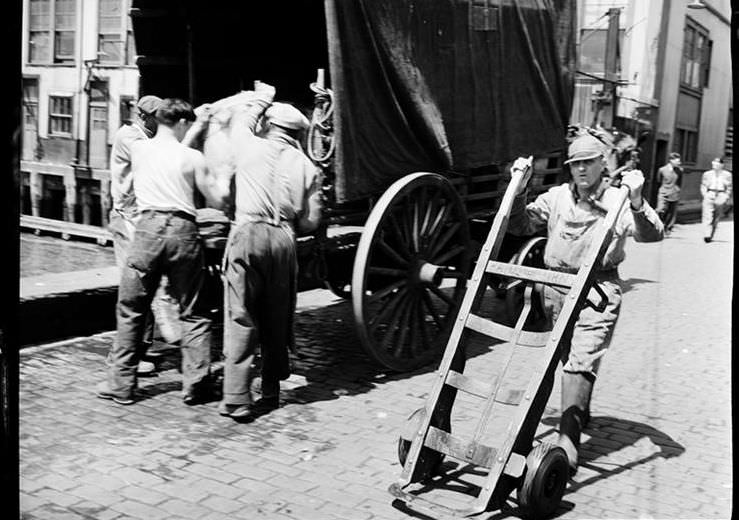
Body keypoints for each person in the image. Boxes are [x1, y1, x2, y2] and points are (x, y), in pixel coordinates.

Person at [507, 132, 664, 474]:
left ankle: (568, 444)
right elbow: (520, 225)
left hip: (597, 292)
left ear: (602, 164)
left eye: (588, 162)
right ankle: (577, 414)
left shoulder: (618, 199)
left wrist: (637, 201)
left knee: (579, 362)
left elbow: (653, 234)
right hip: (556, 288)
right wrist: (518, 191)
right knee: (565, 358)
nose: (580, 169)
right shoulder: (557, 197)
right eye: (575, 163)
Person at [97, 98, 221, 406]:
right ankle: (196, 387)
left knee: (131, 309)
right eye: (187, 125)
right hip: (182, 231)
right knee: (193, 312)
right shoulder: (192, 157)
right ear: (181, 123)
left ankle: (121, 386)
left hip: (146, 231)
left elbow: (163, 147)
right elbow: (216, 199)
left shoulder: (138, 149)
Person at [216, 82, 323, 419]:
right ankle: (271, 390)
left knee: (241, 314)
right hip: (283, 240)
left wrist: (264, 96)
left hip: (247, 233)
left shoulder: (249, 145)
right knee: (278, 317)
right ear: (295, 133)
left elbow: (242, 122)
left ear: (270, 125)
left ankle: (237, 398)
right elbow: (310, 222)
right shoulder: (308, 166)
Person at [108, 95, 181, 377]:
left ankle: (142, 349)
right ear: (144, 116)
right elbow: (157, 156)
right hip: (127, 219)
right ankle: (125, 358)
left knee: (146, 283)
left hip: (141, 219)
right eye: (157, 116)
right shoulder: (129, 137)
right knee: (135, 285)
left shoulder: (147, 137)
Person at [700, 157, 733, 243]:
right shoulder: (707, 174)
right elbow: (703, 185)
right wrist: (705, 194)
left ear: (722, 165)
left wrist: (726, 196)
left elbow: (729, 187)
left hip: (721, 195)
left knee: (716, 217)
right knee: (707, 216)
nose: (714, 166)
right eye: (713, 164)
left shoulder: (727, 175)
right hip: (710, 193)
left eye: (716, 164)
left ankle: (711, 234)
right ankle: (707, 235)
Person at [656, 152, 683, 235]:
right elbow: (658, 180)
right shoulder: (662, 170)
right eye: (677, 161)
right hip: (663, 192)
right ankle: (659, 224)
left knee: (671, 213)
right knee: (660, 209)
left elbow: (679, 182)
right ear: (671, 160)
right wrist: (664, 188)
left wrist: (677, 190)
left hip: (674, 193)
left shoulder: (680, 170)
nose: (679, 162)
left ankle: (668, 228)